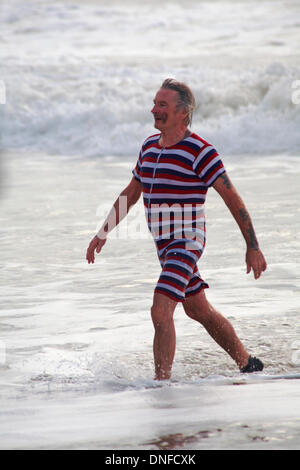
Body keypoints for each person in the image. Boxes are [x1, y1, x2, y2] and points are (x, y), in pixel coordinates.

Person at [86, 78, 267, 380]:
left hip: (187, 241)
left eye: (162, 105)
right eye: (155, 103)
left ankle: (161, 385)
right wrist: (102, 232)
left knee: (160, 310)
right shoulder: (149, 147)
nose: (154, 109)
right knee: (198, 310)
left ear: (184, 112)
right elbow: (131, 192)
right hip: (164, 245)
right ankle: (247, 362)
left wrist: (253, 246)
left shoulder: (201, 151)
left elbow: (232, 198)